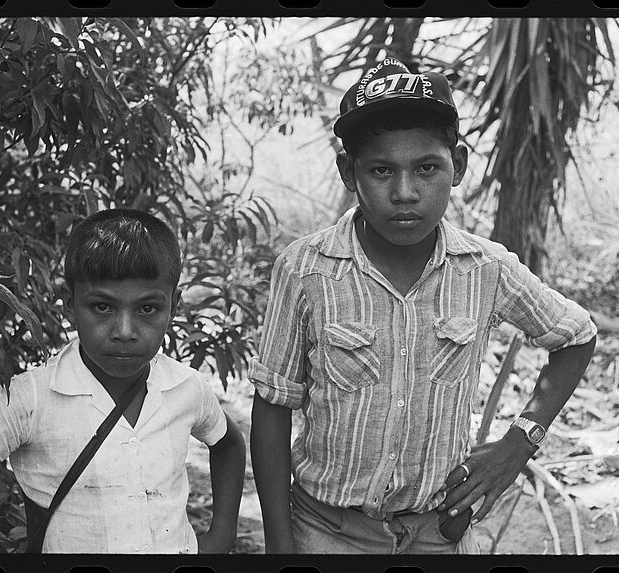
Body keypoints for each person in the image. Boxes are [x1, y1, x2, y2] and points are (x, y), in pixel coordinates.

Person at [249, 58, 597, 554]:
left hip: (438, 534)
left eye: (426, 168)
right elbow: (273, 404)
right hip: (327, 531)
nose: (405, 192)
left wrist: (519, 444)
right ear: (350, 172)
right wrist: (280, 547)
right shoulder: (306, 270)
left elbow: (577, 337)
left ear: (457, 164)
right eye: (381, 170)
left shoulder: (484, 269)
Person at [0, 208, 246, 553]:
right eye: (102, 307)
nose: (125, 332)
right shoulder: (31, 399)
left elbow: (228, 444)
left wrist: (220, 537)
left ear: (174, 305)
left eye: (148, 309)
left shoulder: (186, 387)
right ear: (69, 305)